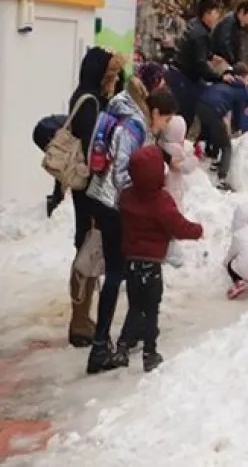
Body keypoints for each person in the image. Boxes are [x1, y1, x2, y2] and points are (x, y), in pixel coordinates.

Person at [86, 83, 178, 374]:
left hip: (109, 201)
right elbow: (121, 172)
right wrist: (146, 195)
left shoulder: (130, 116)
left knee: (124, 269)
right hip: (112, 203)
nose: (163, 128)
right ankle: (101, 346)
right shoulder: (135, 126)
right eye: (164, 120)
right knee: (116, 273)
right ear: (155, 112)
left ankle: (127, 335)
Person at [114, 145, 204, 371]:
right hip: (152, 265)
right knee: (151, 308)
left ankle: (122, 347)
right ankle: (150, 353)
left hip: (132, 262)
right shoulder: (160, 201)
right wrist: (198, 230)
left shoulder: (126, 197)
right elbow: (177, 225)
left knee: (135, 306)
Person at [65, 47, 124, 347]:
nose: (112, 80)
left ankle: (82, 317)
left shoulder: (88, 96)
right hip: (90, 190)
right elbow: (93, 149)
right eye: (110, 74)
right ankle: (78, 321)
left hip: (88, 189)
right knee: (86, 250)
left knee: (88, 248)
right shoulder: (89, 102)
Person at [165, 0, 232, 128]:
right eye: (215, 13)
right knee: (184, 118)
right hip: (184, 80)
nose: (217, 17)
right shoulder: (200, 34)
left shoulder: (196, 25)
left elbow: (195, 51)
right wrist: (220, 77)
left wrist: (211, 56)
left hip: (179, 76)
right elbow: (200, 64)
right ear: (206, 14)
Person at [195, 62, 248, 190]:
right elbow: (238, 112)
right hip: (215, 110)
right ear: (243, 77)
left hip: (201, 105)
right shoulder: (240, 90)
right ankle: (221, 179)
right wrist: (237, 128)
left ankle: (214, 160)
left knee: (214, 132)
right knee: (227, 146)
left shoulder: (225, 80)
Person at [157, 115, 197, 202]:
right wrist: (194, 159)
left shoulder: (160, 143)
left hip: (161, 185)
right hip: (173, 187)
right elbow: (186, 168)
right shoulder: (177, 150)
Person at [210, 1, 248, 65]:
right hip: (220, 60)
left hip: (227, 60)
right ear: (242, 12)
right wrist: (232, 61)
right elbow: (224, 43)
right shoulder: (229, 21)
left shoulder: (238, 25)